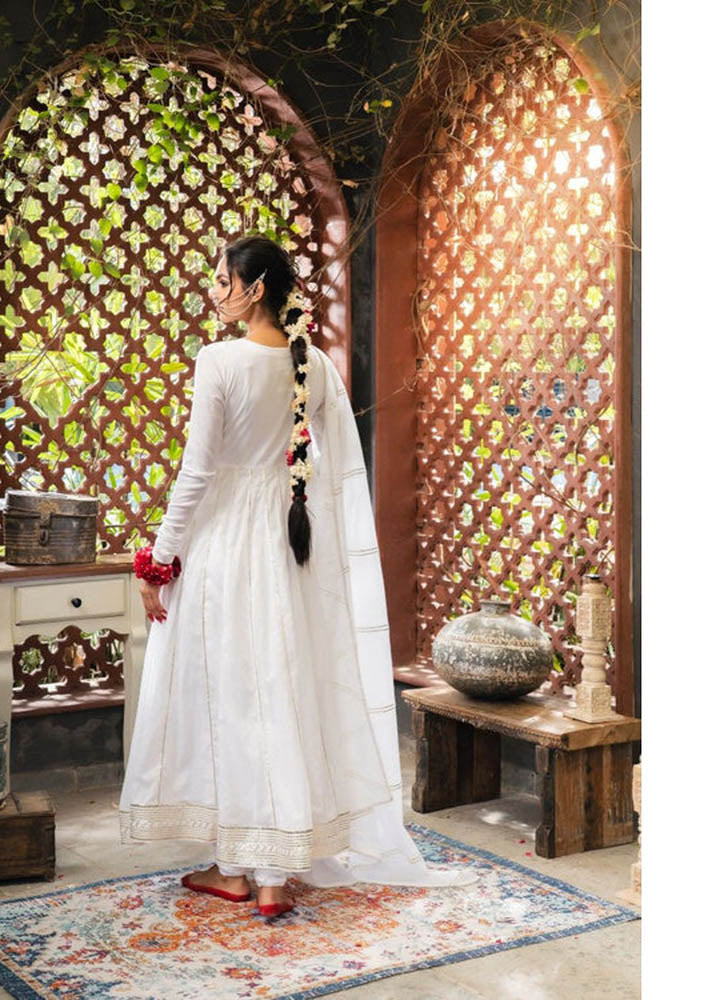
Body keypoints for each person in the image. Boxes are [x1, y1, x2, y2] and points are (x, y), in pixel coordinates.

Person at [119, 234, 475, 917]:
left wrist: (157, 562)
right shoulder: (313, 364)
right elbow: (330, 476)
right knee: (280, 692)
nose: (213, 291)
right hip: (291, 546)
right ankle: (272, 877)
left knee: (231, 698)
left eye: (222, 280)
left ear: (254, 288)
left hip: (227, 546)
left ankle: (236, 869)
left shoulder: (220, 361)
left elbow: (197, 471)